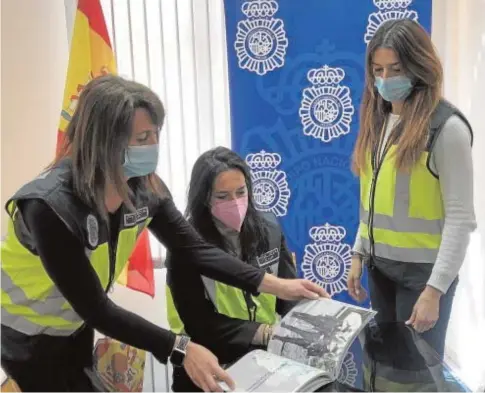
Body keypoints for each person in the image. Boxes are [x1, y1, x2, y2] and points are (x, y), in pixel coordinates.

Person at [0, 75, 327, 392]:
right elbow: (98, 309)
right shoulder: (50, 207)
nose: (153, 146)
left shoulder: (145, 189)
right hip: (26, 336)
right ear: (105, 139)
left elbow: (195, 249)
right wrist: (181, 348)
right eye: (142, 139)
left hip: (74, 326)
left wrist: (276, 284)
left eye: (155, 134)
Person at [347, 18, 476, 362]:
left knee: (419, 375)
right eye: (378, 70)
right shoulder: (377, 120)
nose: (385, 80)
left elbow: (461, 220)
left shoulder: (446, 130)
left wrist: (435, 290)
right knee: (386, 368)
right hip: (380, 271)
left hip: (422, 277)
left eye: (396, 69)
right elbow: (371, 201)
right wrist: (359, 253)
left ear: (419, 66)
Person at [165, 147, 327, 391]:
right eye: (222, 196)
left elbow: (286, 295)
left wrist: (304, 326)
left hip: (264, 361)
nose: (235, 203)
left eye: (241, 192)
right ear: (204, 197)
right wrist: (262, 332)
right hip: (208, 363)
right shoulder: (186, 245)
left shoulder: (269, 229)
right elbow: (199, 323)